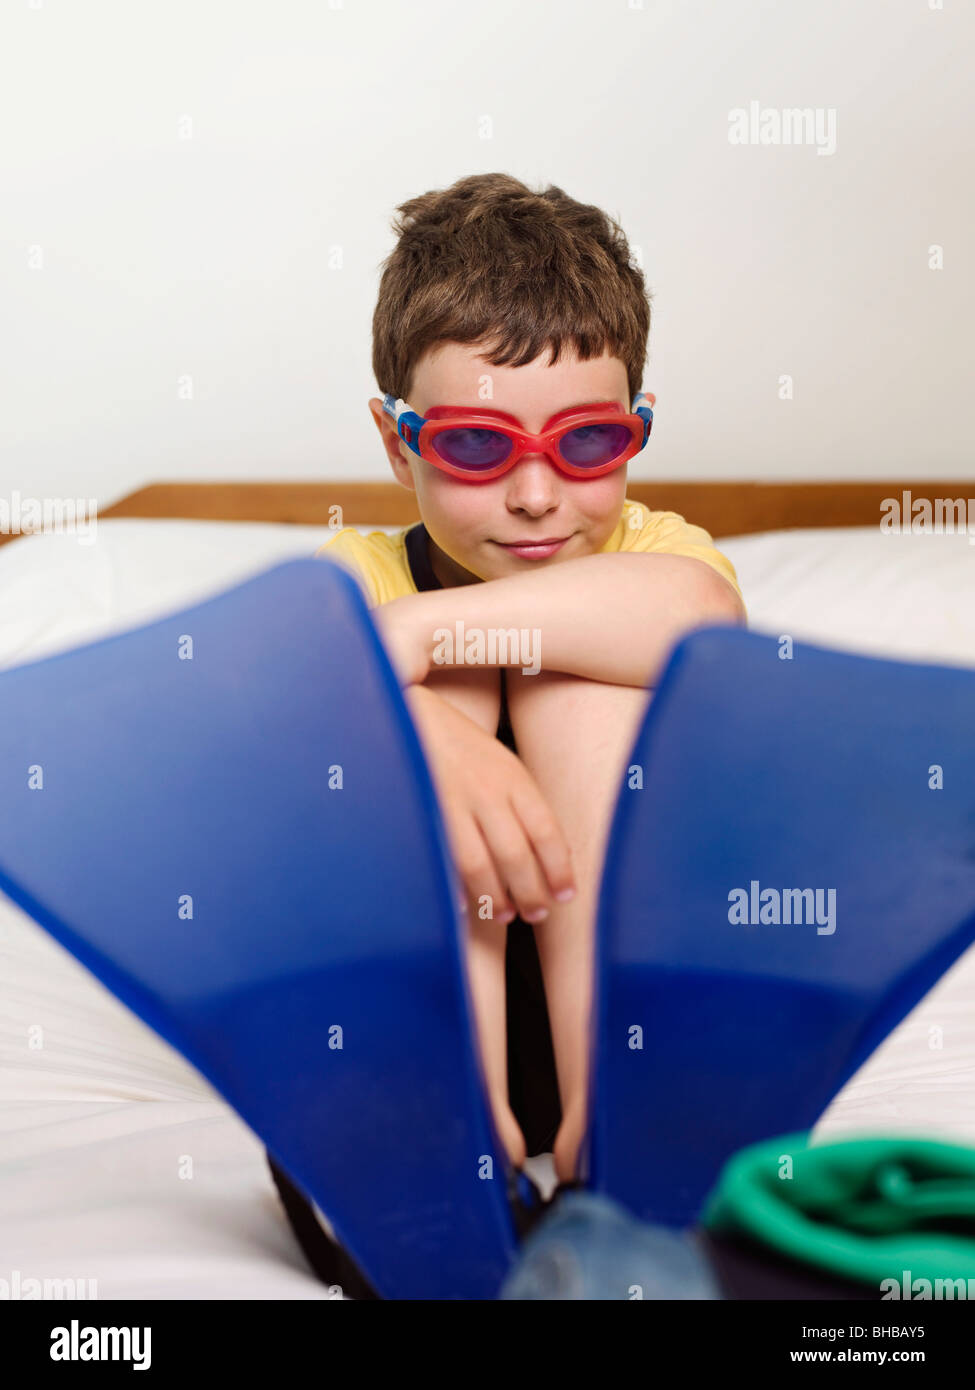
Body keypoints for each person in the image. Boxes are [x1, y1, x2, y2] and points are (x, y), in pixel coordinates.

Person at [318, 171, 746, 1184]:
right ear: (397, 442)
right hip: (421, 1018)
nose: (537, 496)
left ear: (636, 429)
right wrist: (427, 727)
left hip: (635, 1005)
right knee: (413, 698)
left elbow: (700, 617)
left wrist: (417, 640)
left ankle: (612, 1113)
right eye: (476, 446)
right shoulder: (358, 572)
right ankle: (461, 1122)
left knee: (570, 669)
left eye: (588, 442)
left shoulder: (659, 554)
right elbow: (300, 688)